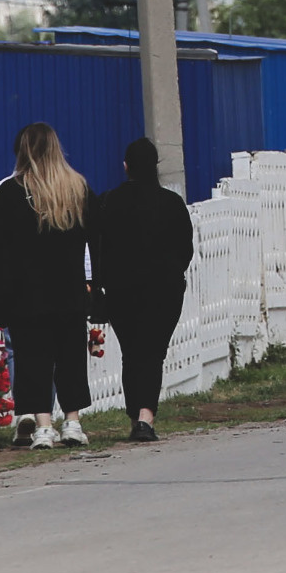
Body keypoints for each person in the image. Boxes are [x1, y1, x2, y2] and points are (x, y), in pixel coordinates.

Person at [0, 121, 94, 449]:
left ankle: (43, 425)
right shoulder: (78, 188)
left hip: (26, 292)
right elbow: (93, 240)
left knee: (34, 358)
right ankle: (72, 421)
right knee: (71, 356)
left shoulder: (10, 192)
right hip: (70, 288)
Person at [88, 137, 195, 443]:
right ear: (155, 166)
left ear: (126, 167)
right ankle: (145, 417)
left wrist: (99, 284)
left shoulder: (107, 202)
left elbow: (97, 248)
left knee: (132, 353)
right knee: (153, 352)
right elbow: (184, 250)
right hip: (164, 290)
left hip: (121, 290)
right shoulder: (172, 204)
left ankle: (136, 415)